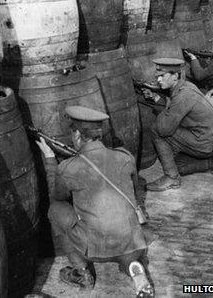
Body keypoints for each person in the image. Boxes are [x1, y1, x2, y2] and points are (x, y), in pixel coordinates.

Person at [36, 106, 154, 298]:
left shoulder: (68, 168)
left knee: (55, 210)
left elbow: (57, 196)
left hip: (96, 250)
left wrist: (50, 160)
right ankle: (133, 264)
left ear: (76, 135)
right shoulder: (124, 156)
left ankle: (82, 273)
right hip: (132, 242)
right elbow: (133, 189)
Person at [144, 58, 213, 191]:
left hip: (204, 142)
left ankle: (171, 178)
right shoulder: (187, 86)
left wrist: (160, 105)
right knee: (178, 165)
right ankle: (212, 162)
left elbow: (164, 129)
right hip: (211, 139)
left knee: (156, 130)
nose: (158, 80)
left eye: (162, 76)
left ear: (175, 76)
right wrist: (157, 98)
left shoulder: (182, 97)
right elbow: (176, 110)